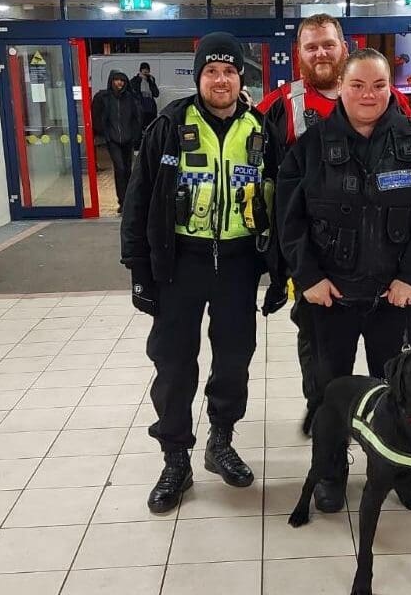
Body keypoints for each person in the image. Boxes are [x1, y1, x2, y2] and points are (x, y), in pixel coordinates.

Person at [277, 48, 411, 513]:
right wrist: (308, 276)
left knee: (399, 391)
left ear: (390, 88)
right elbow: (288, 219)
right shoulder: (311, 146)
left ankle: (400, 469)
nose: (368, 95)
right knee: (329, 391)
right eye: (357, 85)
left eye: (377, 85)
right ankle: (330, 473)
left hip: (391, 299)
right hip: (328, 298)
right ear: (342, 89)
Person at [121, 32, 272, 514]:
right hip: (179, 264)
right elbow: (138, 201)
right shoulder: (169, 125)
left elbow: (281, 201)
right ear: (199, 76)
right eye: (212, 71)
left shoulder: (261, 128)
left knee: (233, 359)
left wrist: (281, 270)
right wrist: (139, 272)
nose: (221, 79)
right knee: (173, 364)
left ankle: (220, 440)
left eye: (230, 71)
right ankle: (175, 460)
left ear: (241, 77)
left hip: (238, 263)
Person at [258, 14, 411, 436]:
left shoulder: (389, 98)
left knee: (390, 354)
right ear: (299, 55)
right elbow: (270, 187)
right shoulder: (279, 105)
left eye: (328, 44)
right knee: (318, 345)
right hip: (315, 260)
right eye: (311, 47)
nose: (321, 53)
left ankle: (387, 426)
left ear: (345, 48)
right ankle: (324, 412)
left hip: (383, 257)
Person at [93, 70, 143, 213]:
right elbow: (96, 115)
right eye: (116, 80)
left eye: (122, 80)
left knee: (128, 170)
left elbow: (137, 116)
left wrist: (135, 133)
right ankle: (122, 201)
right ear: (111, 81)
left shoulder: (130, 98)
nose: (119, 83)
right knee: (120, 169)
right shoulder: (104, 97)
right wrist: (104, 132)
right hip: (112, 139)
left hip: (128, 138)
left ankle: (128, 200)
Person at [130, 62, 160, 131]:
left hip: (150, 109)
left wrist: (152, 82)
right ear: (140, 70)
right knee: (140, 127)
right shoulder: (135, 80)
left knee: (150, 128)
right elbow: (132, 91)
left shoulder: (150, 80)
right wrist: (139, 79)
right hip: (140, 108)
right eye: (144, 69)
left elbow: (156, 94)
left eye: (147, 69)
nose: (146, 71)